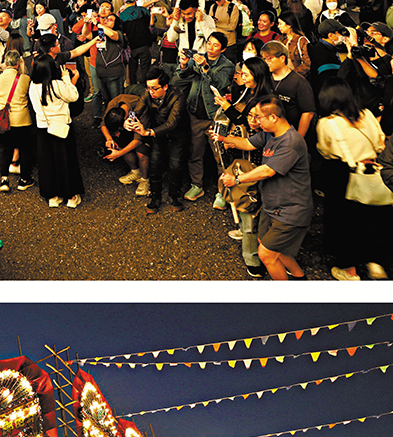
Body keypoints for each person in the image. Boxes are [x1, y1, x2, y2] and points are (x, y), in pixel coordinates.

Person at [218, 96, 312, 281]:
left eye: (259, 117)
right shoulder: (270, 135)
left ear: (274, 118)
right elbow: (247, 143)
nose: (255, 121)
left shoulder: (291, 142)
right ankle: (299, 278)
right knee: (272, 246)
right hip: (273, 207)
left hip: (291, 211)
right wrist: (222, 137)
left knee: (266, 254)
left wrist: (237, 179)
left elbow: (268, 171)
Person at [316, 79, 392, 281]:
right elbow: (380, 142)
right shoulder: (367, 114)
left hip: (343, 174)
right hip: (373, 171)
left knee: (345, 222)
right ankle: (375, 264)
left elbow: (325, 151)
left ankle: (348, 270)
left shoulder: (327, 123)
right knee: (374, 219)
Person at [176, 32, 234, 204]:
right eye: (209, 43)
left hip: (215, 116)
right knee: (195, 151)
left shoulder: (227, 65)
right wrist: (184, 64)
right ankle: (196, 185)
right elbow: (182, 76)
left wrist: (206, 67)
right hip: (195, 113)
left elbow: (220, 83)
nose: (210, 47)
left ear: (223, 49)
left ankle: (223, 191)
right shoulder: (198, 58)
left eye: (215, 45)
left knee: (221, 155)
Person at [129, 67, 187, 214]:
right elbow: (136, 110)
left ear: (165, 86)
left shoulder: (177, 96)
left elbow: (171, 124)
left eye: (154, 88)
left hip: (177, 133)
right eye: (148, 88)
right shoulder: (148, 94)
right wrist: (129, 120)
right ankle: (155, 197)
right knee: (154, 163)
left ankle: (174, 196)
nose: (151, 92)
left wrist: (148, 132)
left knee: (175, 164)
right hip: (157, 133)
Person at [29, 53, 83, 208]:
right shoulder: (57, 84)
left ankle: (52, 196)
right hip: (61, 127)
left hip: (43, 127)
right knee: (65, 161)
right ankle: (71, 197)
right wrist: (67, 78)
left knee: (47, 163)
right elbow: (73, 96)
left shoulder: (33, 86)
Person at [0, 51, 34, 192]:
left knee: (4, 149)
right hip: (22, 119)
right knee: (25, 150)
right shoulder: (25, 78)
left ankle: (4, 179)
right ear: (17, 63)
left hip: (4, 120)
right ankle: (24, 180)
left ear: (5, 63)